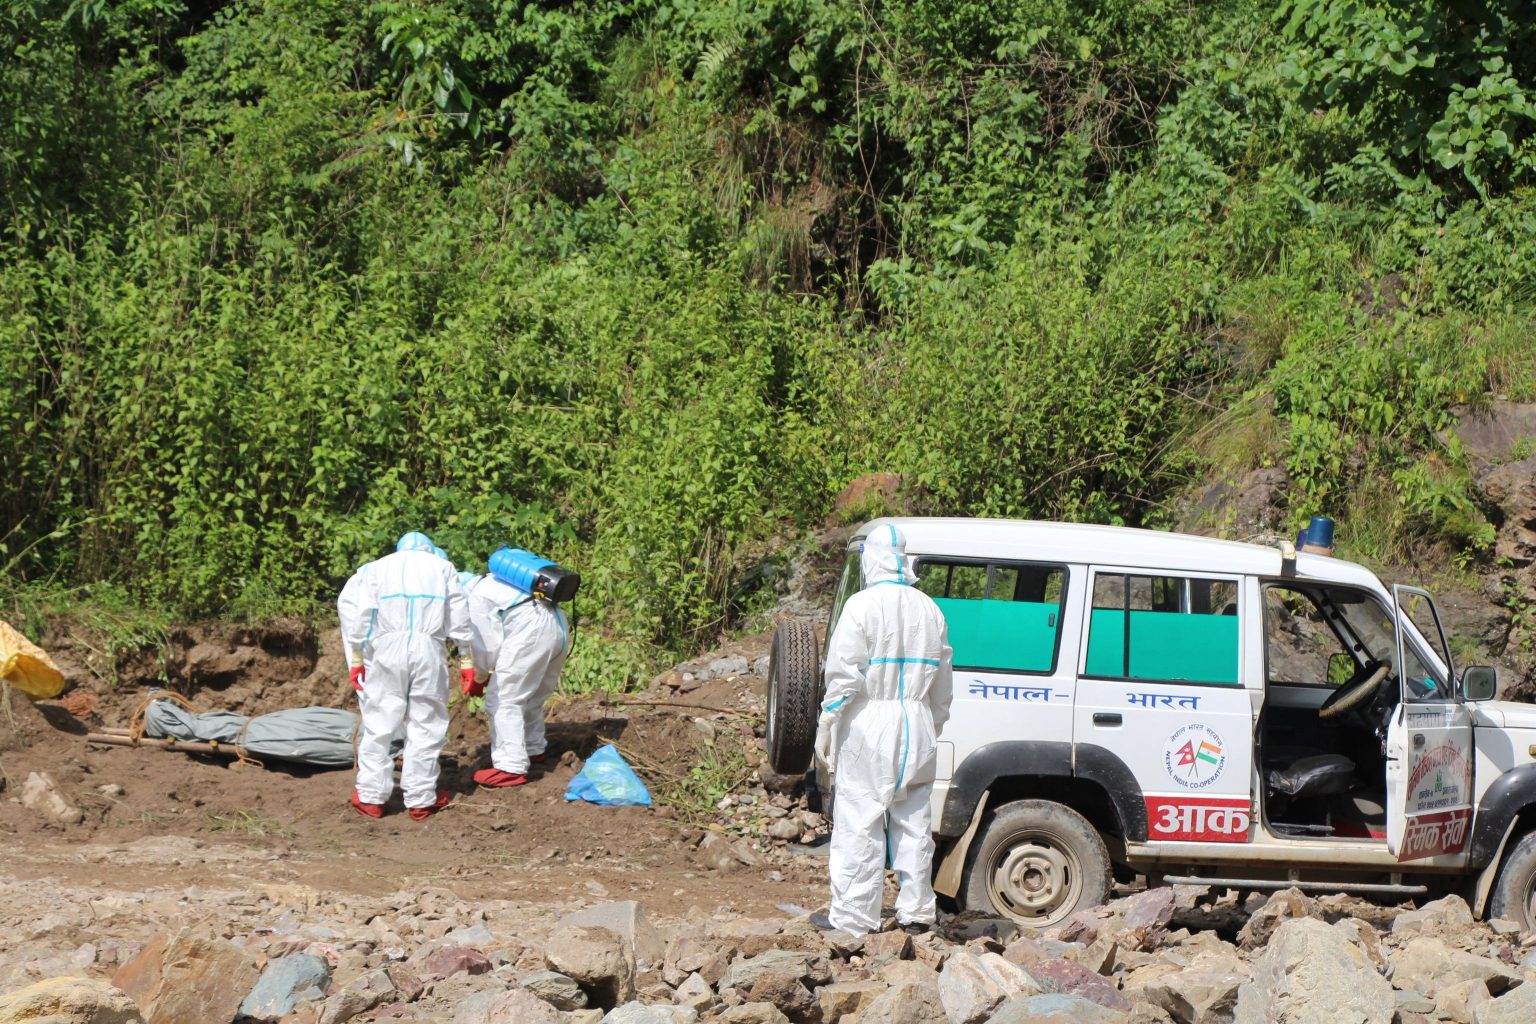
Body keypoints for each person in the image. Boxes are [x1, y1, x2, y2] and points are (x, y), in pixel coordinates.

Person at [815, 524, 953, 936]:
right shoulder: (930, 609)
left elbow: (844, 674)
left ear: (870, 560)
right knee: (914, 823)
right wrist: (931, 722)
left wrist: (828, 719)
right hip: (917, 721)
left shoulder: (861, 605)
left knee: (861, 819)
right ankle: (917, 914)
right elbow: (943, 682)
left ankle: (854, 919)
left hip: (870, 723)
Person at [342, 531, 476, 820]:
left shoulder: (378, 567)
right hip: (429, 649)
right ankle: (421, 799)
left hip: (387, 648)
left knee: (379, 722)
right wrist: (466, 659)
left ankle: (370, 797)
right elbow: (459, 616)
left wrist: (357, 657)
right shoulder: (443, 567)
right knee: (426, 723)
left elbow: (364, 615)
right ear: (430, 549)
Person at [466, 565, 571, 788]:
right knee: (532, 696)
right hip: (558, 625)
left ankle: (510, 766)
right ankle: (533, 749)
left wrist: (481, 676)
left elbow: (486, 645)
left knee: (503, 698)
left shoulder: (475, 595)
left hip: (532, 630)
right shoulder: (498, 581)